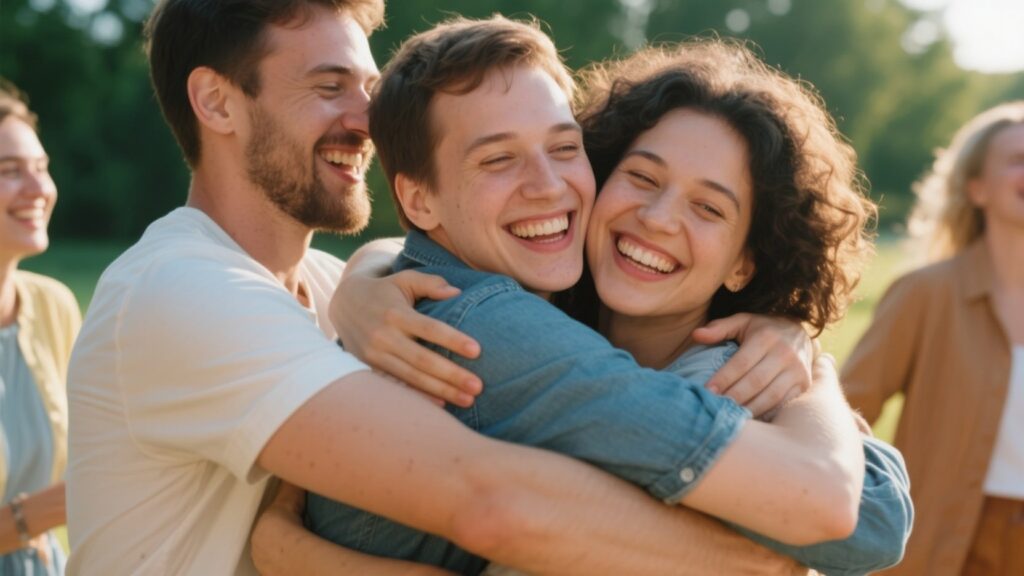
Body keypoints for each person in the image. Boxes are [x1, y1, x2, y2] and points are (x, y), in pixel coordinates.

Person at [64, 2, 826, 575]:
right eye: (329, 87)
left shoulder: (334, 288)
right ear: (217, 102)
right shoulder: (181, 291)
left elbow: (420, 254)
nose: (365, 118)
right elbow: (489, 502)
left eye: (365, 86)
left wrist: (787, 335)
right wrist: (764, 568)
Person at [288, 18, 910, 576]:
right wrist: (817, 379)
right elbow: (858, 514)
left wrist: (797, 347)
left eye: (563, 149)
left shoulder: (549, 315)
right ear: (419, 200)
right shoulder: (490, 329)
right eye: (499, 159)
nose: (548, 185)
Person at [843, 101, 1024, 575]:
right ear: (976, 188)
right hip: (946, 544)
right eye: (1018, 159)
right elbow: (842, 412)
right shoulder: (925, 293)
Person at [0, 80, 81, 575]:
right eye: (10, 172)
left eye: (42, 169)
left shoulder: (53, 306)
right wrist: (43, 512)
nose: (38, 190)